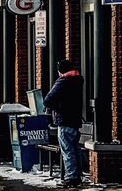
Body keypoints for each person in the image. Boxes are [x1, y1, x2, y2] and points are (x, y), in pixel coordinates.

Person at [43, 59, 84, 187]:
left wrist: (57, 108)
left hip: (64, 120)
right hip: (75, 121)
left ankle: (71, 177)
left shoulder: (63, 81)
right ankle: (77, 176)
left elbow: (48, 100)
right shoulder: (77, 81)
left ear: (61, 71)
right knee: (75, 149)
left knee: (67, 150)